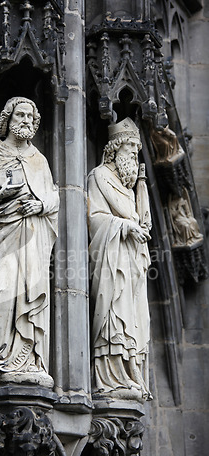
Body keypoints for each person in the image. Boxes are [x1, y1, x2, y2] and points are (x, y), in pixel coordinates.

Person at [0, 97, 59, 388]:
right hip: (2, 235)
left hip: (33, 236)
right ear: (7, 119)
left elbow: (53, 196)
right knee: (4, 291)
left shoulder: (40, 160)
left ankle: (28, 359)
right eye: (20, 115)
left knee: (30, 293)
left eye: (31, 117)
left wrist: (41, 206)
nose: (26, 121)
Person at [88, 117, 152, 400]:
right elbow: (94, 220)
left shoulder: (128, 188)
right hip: (111, 260)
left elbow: (139, 219)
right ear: (115, 149)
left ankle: (130, 372)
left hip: (131, 262)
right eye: (130, 150)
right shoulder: (98, 177)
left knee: (133, 318)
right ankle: (110, 375)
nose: (134, 156)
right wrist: (125, 226)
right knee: (114, 316)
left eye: (136, 151)